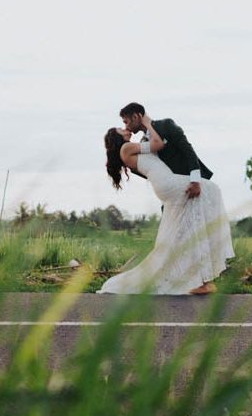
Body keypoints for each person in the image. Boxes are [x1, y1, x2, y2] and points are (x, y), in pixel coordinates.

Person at [97, 112, 234, 295]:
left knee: (185, 228)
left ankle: (200, 280)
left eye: (125, 124)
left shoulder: (129, 151)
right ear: (117, 137)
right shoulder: (127, 148)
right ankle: (202, 279)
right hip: (167, 182)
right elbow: (158, 144)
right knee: (211, 189)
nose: (125, 128)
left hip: (163, 184)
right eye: (121, 129)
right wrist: (147, 121)